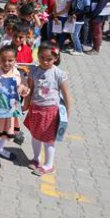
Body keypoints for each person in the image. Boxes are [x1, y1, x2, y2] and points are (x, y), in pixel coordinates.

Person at [24, 43, 72, 176]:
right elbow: (30, 90)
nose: (45, 61)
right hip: (35, 109)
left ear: (56, 58)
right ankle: (36, 158)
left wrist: (67, 113)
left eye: (49, 59)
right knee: (35, 136)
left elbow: (67, 95)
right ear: (37, 56)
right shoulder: (33, 71)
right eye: (42, 57)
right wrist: (26, 105)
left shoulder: (59, 74)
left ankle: (49, 164)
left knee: (48, 139)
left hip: (50, 112)